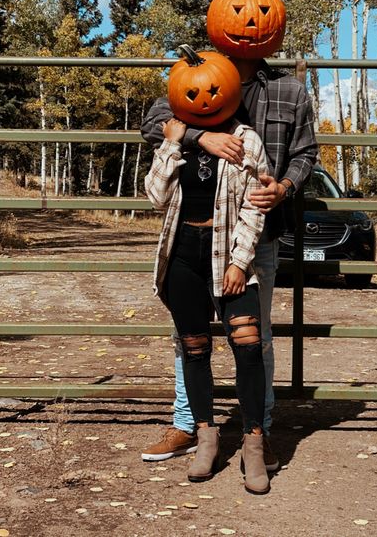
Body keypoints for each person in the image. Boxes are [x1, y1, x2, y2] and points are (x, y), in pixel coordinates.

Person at [141, 55, 318, 470]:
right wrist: (199, 138)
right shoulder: (196, 72)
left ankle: (261, 435)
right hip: (186, 243)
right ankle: (192, 427)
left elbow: (307, 153)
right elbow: (155, 126)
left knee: (255, 340)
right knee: (190, 341)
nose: (249, 28)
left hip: (254, 236)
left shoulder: (286, 92)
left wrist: (285, 187)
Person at [144, 62, 272, 492]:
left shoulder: (245, 141)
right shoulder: (175, 135)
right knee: (194, 348)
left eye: (213, 92)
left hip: (226, 255)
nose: (204, 99)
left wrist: (239, 262)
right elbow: (156, 196)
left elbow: (255, 207)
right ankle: (206, 438)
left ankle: (254, 443)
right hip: (181, 255)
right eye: (193, 93)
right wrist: (172, 145)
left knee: (249, 345)